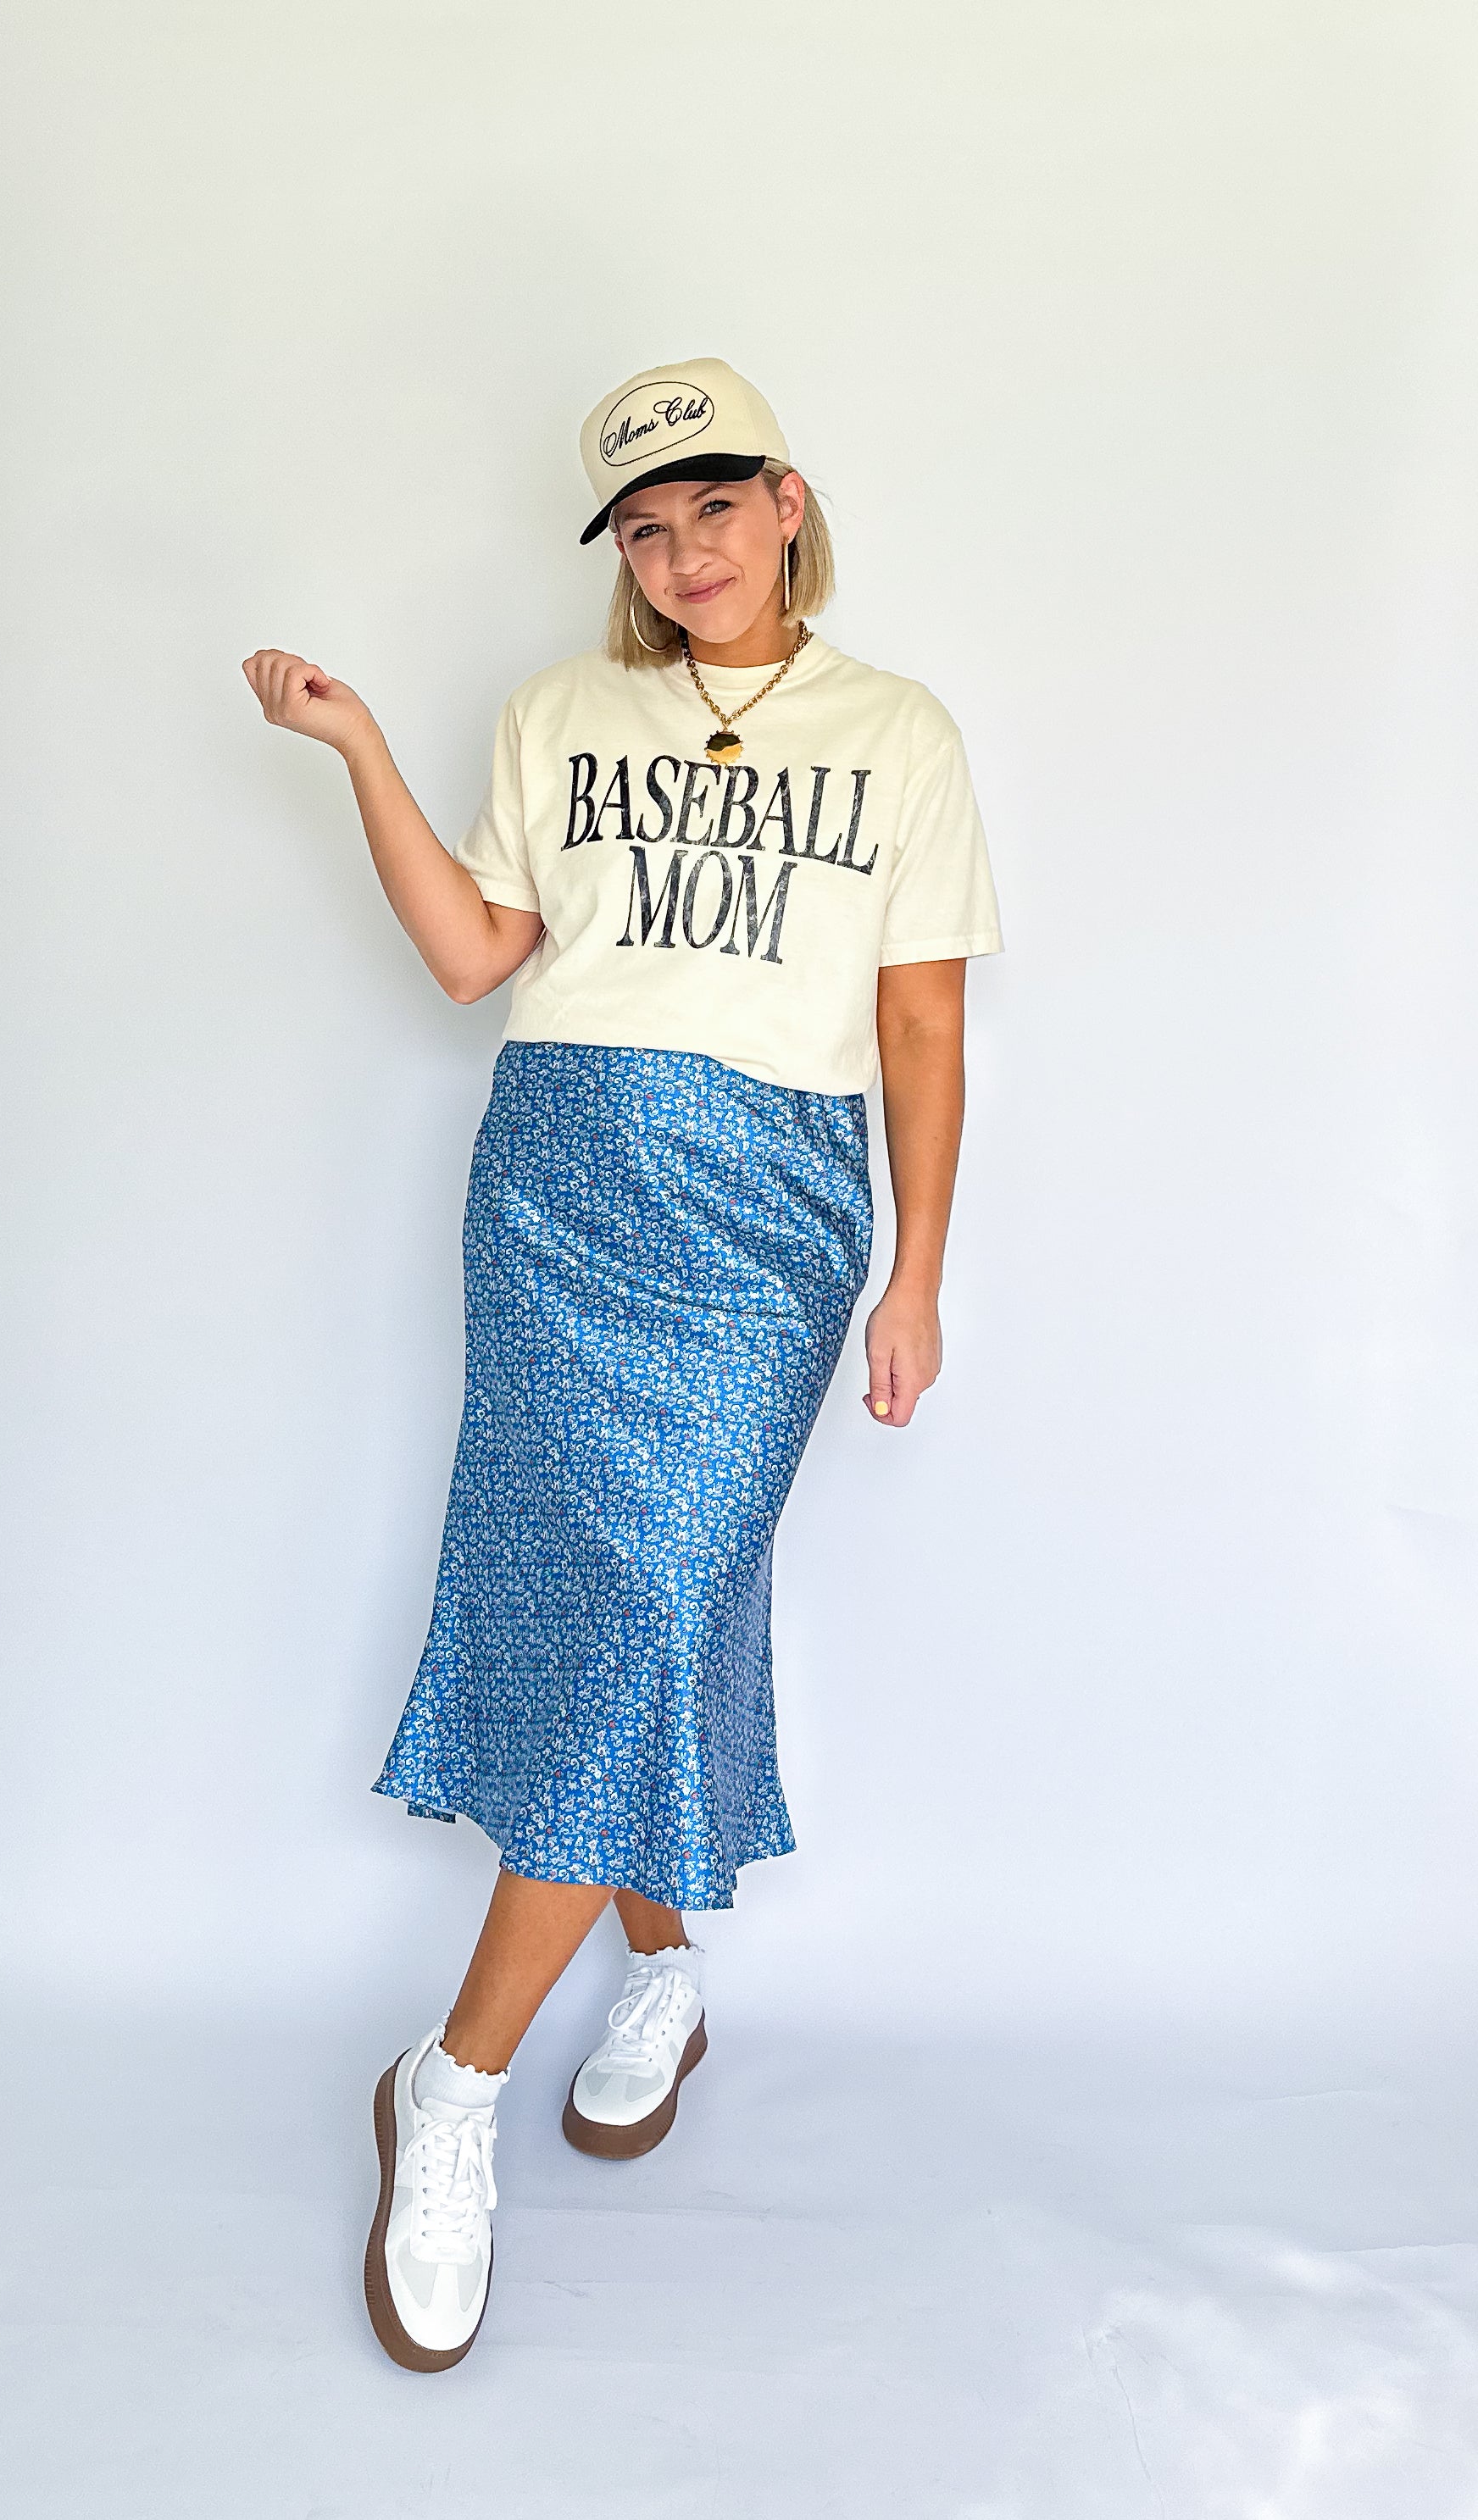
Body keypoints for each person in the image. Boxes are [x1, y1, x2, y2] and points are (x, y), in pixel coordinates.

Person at [242, 355, 1003, 2373]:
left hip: (768, 1207)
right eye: (646, 531)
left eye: (712, 510)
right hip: (559, 1185)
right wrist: (357, 747)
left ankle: (450, 2073)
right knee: (624, 1611)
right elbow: (473, 956)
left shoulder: (896, 730)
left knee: (661, 1598)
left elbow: (919, 1025)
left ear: (785, 501)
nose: (683, 556)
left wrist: (914, 1271)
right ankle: (650, 1973)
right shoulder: (557, 712)